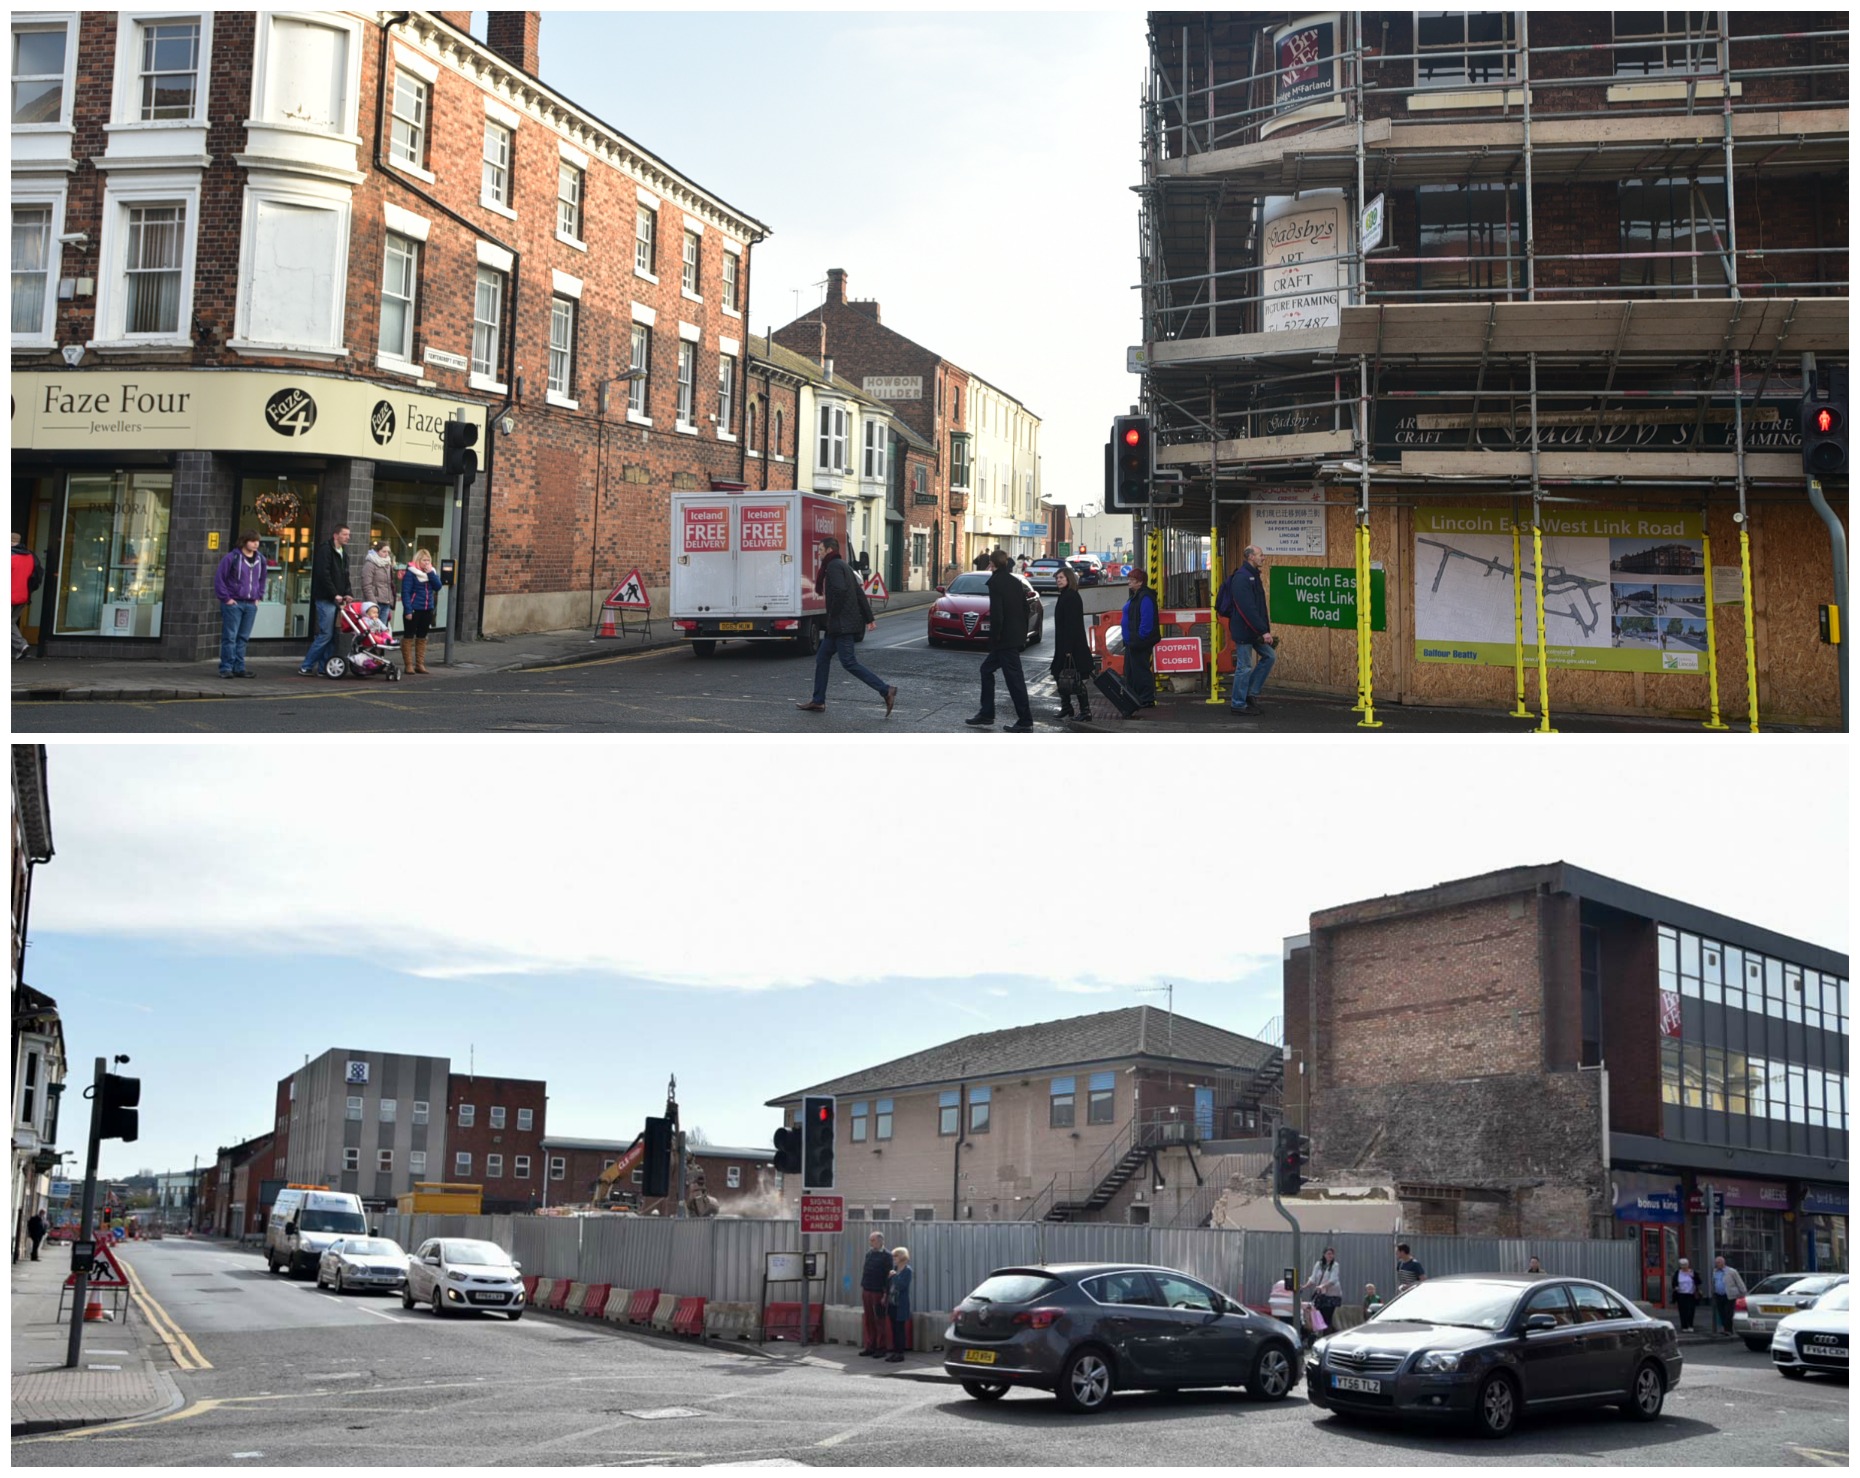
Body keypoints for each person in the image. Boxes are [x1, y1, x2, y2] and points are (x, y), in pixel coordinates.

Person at [796, 535, 897, 717]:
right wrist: (869, 617)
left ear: (829, 550)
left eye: (820, 550)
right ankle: (818, 701)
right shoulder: (845, 566)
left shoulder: (833, 566)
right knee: (822, 658)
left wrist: (832, 616)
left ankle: (886, 690)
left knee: (849, 662)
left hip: (841, 625)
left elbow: (841, 592)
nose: (818, 554)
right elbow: (859, 592)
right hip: (839, 626)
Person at [964, 548, 1032, 731]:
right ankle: (986, 714)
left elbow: (997, 615)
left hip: (1004, 641)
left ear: (992, 564)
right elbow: (1026, 610)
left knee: (1015, 681)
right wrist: (1022, 633)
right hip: (1013, 638)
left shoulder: (996, 583)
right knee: (986, 670)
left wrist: (994, 639)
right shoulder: (1015, 582)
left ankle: (1025, 721)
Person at [1219, 544, 1277, 714]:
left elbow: (1257, 607)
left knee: (1269, 656)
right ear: (1251, 557)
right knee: (1244, 666)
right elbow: (1247, 608)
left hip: (1253, 630)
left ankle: (1249, 693)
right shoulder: (1242, 578)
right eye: (1260, 554)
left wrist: (1263, 629)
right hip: (1245, 629)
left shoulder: (1253, 576)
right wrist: (1264, 631)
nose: (1263, 557)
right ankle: (1238, 703)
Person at [298, 523, 352, 676]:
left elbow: (345, 576)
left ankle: (324, 668)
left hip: (338, 600)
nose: (348, 537)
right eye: (345, 534)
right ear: (336, 535)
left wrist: (348, 592)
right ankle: (306, 665)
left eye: (348, 534)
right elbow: (324, 574)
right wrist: (334, 594)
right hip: (326, 599)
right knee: (325, 634)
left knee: (333, 636)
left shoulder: (343, 554)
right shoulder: (325, 550)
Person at [213, 531, 268, 678]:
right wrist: (227, 599)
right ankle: (226, 668)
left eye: (257, 541)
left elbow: (262, 579)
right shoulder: (232, 558)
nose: (256, 544)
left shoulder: (261, 559)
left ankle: (239, 667)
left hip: (251, 604)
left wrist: (259, 597)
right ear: (244, 542)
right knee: (230, 637)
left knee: (243, 637)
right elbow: (219, 579)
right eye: (252, 541)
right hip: (234, 603)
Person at [1049, 565, 1095, 721]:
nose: (1058, 580)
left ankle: (1085, 711)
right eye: (1057, 578)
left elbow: (1072, 624)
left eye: (1061, 577)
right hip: (1064, 644)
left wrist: (1068, 648)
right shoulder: (1064, 595)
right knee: (1058, 673)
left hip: (1073, 645)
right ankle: (1067, 706)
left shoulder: (1071, 597)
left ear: (1069, 578)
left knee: (1077, 677)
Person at [1120, 566, 1160, 709]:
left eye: (1132, 580)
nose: (1129, 582)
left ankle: (1146, 699)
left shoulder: (1145, 597)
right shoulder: (1137, 595)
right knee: (1132, 671)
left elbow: (1146, 621)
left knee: (1140, 670)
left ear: (1140, 582)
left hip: (1138, 642)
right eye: (1129, 579)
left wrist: (1138, 638)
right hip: (1132, 641)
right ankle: (1136, 698)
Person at [400, 548, 441, 675]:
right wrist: (408, 610)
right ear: (418, 560)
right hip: (414, 608)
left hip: (427, 609)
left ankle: (420, 664)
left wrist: (430, 574)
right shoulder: (411, 573)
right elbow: (405, 592)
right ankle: (408, 665)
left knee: (422, 636)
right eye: (424, 560)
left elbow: (438, 586)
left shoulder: (431, 573)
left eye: (428, 560)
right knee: (409, 635)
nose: (427, 563)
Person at [859, 1231, 892, 1357]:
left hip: (878, 1292)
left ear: (880, 1241)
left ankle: (881, 1347)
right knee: (869, 1319)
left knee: (880, 1320)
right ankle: (870, 1346)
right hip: (867, 1290)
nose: (870, 1243)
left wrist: (885, 1294)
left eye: (873, 1240)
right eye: (870, 1240)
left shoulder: (887, 1256)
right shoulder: (869, 1254)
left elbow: (888, 1276)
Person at [12, 532, 44, 659]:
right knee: (11, 622)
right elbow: (37, 576)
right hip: (23, 596)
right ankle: (21, 647)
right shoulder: (30, 556)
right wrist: (29, 590)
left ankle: (21, 645)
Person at [358, 539, 397, 629]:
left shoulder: (387, 563)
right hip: (375, 602)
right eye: (384, 551)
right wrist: (373, 603)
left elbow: (389, 584)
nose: (386, 554)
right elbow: (366, 585)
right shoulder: (370, 564)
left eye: (388, 552)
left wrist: (390, 599)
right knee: (373, 630)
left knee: (382, 630)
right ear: (377, 551)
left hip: (386, 602)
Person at [884, 1246, 913, 1362]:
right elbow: (889, 1285)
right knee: (894, 1329)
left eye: (895, 1256)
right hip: (892, 1303)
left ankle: (900, 1353)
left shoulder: (907, 1271)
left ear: (902, 1257)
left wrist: (894, 1276)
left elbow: (902, 1286)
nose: (893, 1258)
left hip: (901, 1304)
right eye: (893, 1256)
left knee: (899, 1329)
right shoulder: (894, 1269)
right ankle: (894, 1352)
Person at [1304, 1247, 1343, 1332]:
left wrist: (1323, 1286)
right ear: (1324, 1254)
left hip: (1331, 1295)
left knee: (1327, 1316)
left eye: (1332, 1254)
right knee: (1319, 1315)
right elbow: (1313, 1278)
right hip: (1321, 1294)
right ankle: (1320, 1333)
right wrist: (1305, 1286)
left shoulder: (1335, 1265)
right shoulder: (1319, 1264)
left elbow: (1333, 1280)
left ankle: (1327, 1334)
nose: (1330, 1256)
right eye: (1328, 1253)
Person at [1711, 1255, 1746, 1337]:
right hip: (1719, 1294)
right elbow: (1713, 1282)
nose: (1717, 1264)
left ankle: (1729, 1330)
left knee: (1728, 1313)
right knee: (1721, 1312)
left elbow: (1739, 1282)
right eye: (1716, 1263)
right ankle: (1725, 1328)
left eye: (1719, 1262)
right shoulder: (1715, 1272)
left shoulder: (1731, 1271)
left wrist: (1743, 1292)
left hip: (1729, 1295)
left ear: (1723, 1263)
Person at [1672, 1258, 1699, 1332]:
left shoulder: (1692, 1272)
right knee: (1683, 1311)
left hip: (1691, 1294)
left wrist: (1693, 1276)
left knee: (1691, 1310)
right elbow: (1674, 1282)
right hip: (1681, 1294)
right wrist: (1675, 1287)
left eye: (1685, 1265)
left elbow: (1699, 1281)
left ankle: (1690, 1325)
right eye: (1682, 1265)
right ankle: (1684, 1326)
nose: (1684, 1267)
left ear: (1688, 1265)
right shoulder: (1678, 1273)